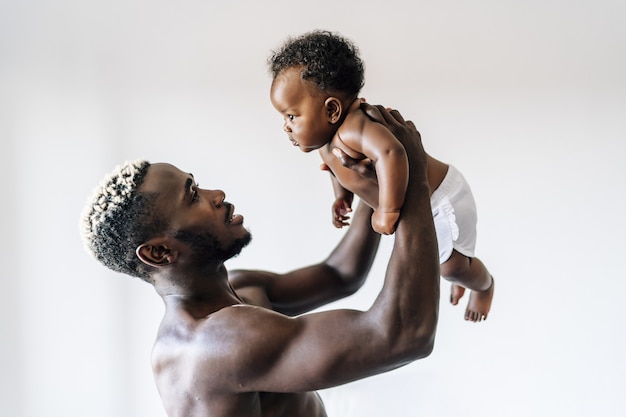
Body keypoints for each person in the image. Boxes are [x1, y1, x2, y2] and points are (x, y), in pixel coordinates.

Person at [79, 105, 440, 417]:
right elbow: (403, 336)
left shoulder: (240, 288)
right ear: (159, 253)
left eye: (197, 184)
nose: (216, 194)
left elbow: (341, 274)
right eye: (192, 197)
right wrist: (413, 177)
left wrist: (379, 178)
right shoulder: (213, 343)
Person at [268, 29, 494, 322]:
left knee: (450, 267)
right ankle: (461, 275)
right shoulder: (325, 144)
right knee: (435, 263)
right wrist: (342, 196)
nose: (286, 126)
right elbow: (339, 169)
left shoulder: (355, 127)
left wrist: (388, 209)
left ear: (332, 110)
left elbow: (392, 153)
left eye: (291, 116)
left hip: (441, 198)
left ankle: (484, 284)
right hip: (423, 206)